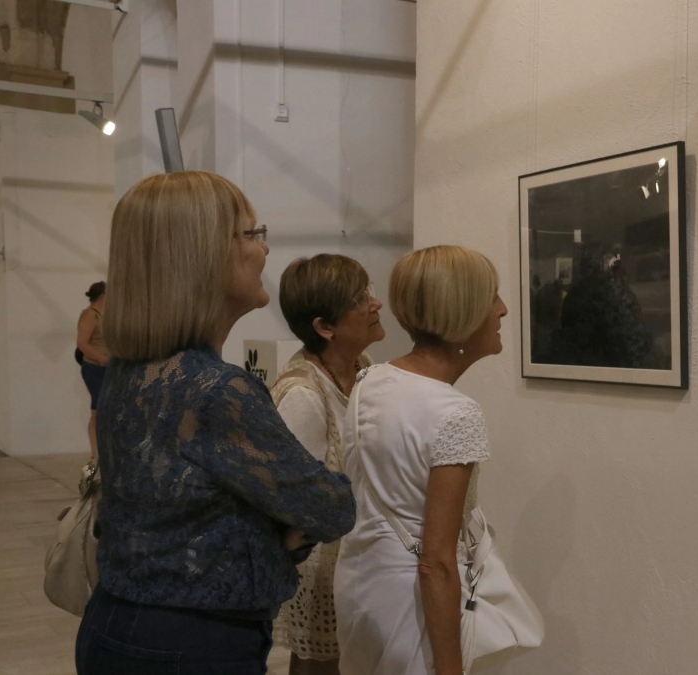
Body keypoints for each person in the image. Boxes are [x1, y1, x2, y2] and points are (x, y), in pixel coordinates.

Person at [74, 171, 357, 675]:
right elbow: (331, 508)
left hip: (113, 623)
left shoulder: (128, 371)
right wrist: (279, 532)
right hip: (191, 642)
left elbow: (175, 510)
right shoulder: (218, 391)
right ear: (202, 255)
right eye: (251, 234)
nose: (264, 251)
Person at [336, 245, 507, 675]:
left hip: (361, 584)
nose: (502, 310)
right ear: (463, 313)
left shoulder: (371, 380)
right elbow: (437, 563)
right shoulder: (456, 412)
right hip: (412, 605)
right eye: (492, 298)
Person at [272, 254, 386, 675]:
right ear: (325, 327)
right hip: (323, 574)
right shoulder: (303, 394)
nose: (375, 304)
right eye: (361, 299)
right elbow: (295, 506)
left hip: (356, 564)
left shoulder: (364, 370)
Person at [76, 280, 109, 458]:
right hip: (95, 369)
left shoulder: (104, 315)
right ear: (102, 295)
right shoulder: (90, 315)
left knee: (105, 410)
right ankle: (96, 453)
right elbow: (82, 343)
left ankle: (104, 451)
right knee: (97, 410)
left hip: (107, 369)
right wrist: (102, 358)